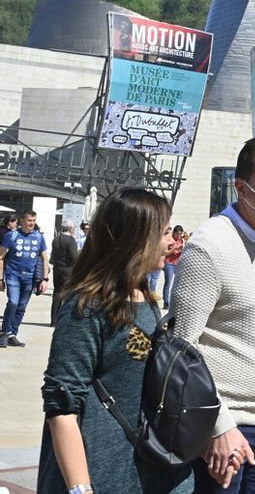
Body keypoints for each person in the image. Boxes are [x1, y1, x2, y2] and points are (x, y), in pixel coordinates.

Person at [172, 137, 255, 492]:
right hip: (225, 430)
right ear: (241, 187)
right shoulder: (208, 246)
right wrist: (217, 427)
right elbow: (181, 349)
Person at [37, 188, 193, 494]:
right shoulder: (88, 307)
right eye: (163, 233)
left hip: (151, 470)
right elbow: (62, 405)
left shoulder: (143, 296)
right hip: (102, 474)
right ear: (136, 239)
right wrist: (81, 489)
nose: (172, 242)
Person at [1, 210, 49, 348]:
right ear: (22, 221)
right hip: (13, 275)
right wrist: (0, 279)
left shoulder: (39, 237)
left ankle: (12, 334)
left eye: (34, 221)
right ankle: (4, 332)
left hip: (29, 277)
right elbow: (1, 257)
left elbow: (45, 258)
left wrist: (45, 279)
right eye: (29, 221)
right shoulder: (12, 236)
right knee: (13, 303)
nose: (32, 223)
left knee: (21, 307)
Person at [49, 223, 80, 326]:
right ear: (71, 228)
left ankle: (53, 320)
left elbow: (52, 257)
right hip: (69, 270)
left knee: (57, 293)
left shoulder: (56, 239)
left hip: (57, 269)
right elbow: (74, 257)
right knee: (70, 295)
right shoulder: (71, 241)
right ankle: (66, 319)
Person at [162, 225, 184, 308]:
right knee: (168, 283)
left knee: (177, 284)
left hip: (178, 263)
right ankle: (166, 302)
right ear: (174, 233)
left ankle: (174, 302)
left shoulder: (181, 240)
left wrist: (181, 248)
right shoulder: (170, 239)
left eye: (180, 234)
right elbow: (166, 251)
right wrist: (175, 249)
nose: (178, 236)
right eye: (177, 234)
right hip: (169, 263)